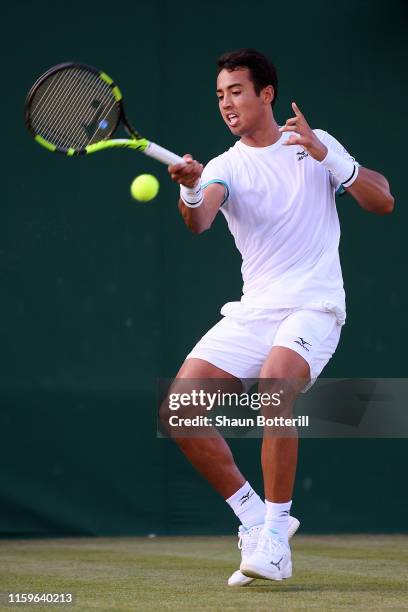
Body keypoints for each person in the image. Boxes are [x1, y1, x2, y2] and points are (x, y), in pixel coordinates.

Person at [164, 48, 394, 586]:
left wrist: (328, 157)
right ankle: (255, 518)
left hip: (313, 305)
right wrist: (190, 186)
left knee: (274, 386)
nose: (227, 103)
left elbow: (382, 201)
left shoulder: (313, 145)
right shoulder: (224, 166)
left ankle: (273, 537)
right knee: (180, 410)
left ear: (267, 94)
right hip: (256, 310)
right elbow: (198, 220)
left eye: (237, 91)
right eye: (220, 95)